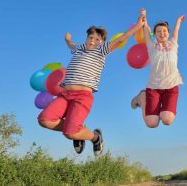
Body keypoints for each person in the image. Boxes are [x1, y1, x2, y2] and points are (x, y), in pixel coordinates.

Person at [38, 12, 146, 156]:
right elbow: (71, 45)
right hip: (64, 95)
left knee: (70, 133)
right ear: (86, 38)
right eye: (90, 37)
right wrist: (67, 39)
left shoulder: (101, 51)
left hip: (82, 96)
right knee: (44, 120)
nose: (92, 41)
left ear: (102, 42)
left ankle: (95, 137)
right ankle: (79, 130)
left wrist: (138, 25)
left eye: (97, 39)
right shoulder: (79, 49)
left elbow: (122, 39)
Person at [130, 9, 184, 128]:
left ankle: (162, 109)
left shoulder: (173, 44)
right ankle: (142, 97)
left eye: (164, 31)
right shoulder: (152, 45)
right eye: (158, 31)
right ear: (154, 34)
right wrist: (144, 16)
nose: (162, 33)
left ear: (168, 33)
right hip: (154, 87)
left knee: (167, 120)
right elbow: (145, 29)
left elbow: (176, 32)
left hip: (171, 86)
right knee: (151, 123)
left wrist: (178, 21)